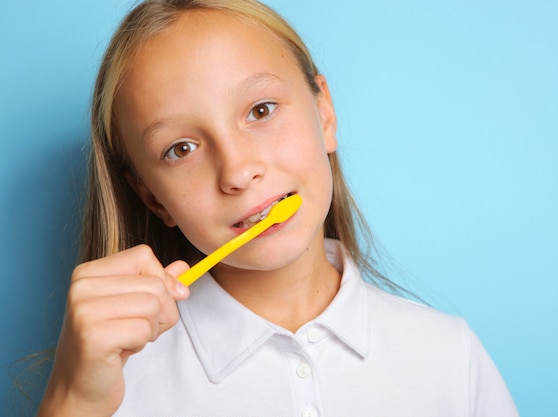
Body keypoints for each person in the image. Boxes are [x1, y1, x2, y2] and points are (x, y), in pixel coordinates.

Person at [37, 0, 519, 416]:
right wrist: (73, 404)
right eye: (181, 148)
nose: (237, 172)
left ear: (324, 112)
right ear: (150, 196)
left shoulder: (449, 357)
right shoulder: (112, 383)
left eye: (260, 111)